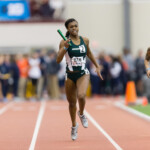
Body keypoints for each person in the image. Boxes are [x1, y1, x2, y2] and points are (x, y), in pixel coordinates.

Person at [56, 18, 103, 141]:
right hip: (70, 75)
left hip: (83, 73)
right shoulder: (64, 42)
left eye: (75, 26)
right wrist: (64, 48)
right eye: (71, 27)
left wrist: (97, 66)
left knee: (81, 95)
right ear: (68, 29)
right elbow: (58, 60)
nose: (74, 28)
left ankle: (81, 114)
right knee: (71, 103)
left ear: (78, 27)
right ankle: (73, 126)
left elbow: (90, 53)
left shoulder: (85, 40)